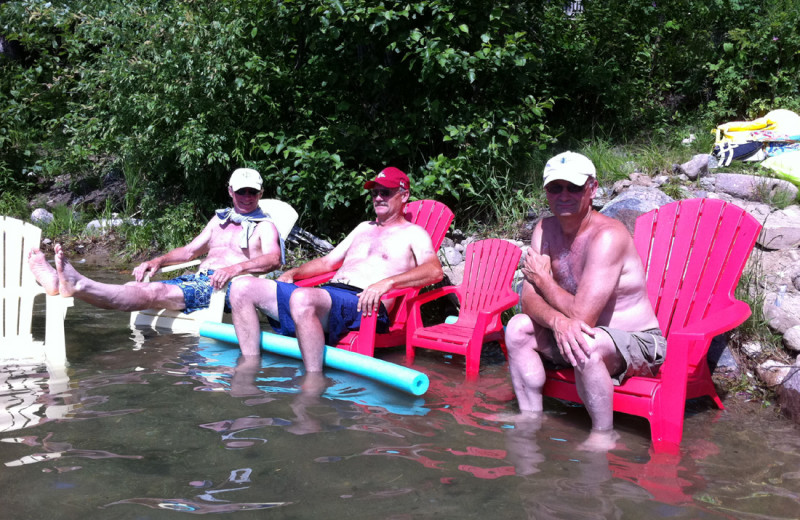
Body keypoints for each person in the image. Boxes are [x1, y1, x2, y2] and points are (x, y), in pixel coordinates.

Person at [504, 151, 665, 449]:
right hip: (576, 331)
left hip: (636, 342)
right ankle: (530, 416)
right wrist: (556, 320)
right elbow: (528, 300)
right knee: (517, 327)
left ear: (592, 188)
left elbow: (582, 317)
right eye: (555, 187)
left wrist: (543, 280)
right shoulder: (545, 229)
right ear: (546, 192)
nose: (564, 195)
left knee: (584, 341)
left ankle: (604, 434)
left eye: (574, 187)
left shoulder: (607, 236)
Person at [230, 166, 443, 372]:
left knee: (303, 298)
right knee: (242, 287)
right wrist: (294, 273)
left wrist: (388, 283)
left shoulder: (413, 233)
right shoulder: (363, 228)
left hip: (365, 304)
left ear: (404, 196)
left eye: (385, 192)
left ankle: (313, 382)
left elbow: (434, 271)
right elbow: (328, 263)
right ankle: (250, 367)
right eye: (374, 193)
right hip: (330, 295)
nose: (378, 198)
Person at [28, 168, 282, 314]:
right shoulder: (219, 221)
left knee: (154, 291)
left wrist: (235, 268)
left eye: (252, 192)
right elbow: (189, 252)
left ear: (261, 193)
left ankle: (78, 284)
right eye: (241, 191)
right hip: (197, 281)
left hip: (225, 289)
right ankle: (66, 284)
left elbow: (273, 259)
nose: (247, 197)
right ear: (230, 191)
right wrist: (157, 260)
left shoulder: (264, 226)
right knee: (135, 285)